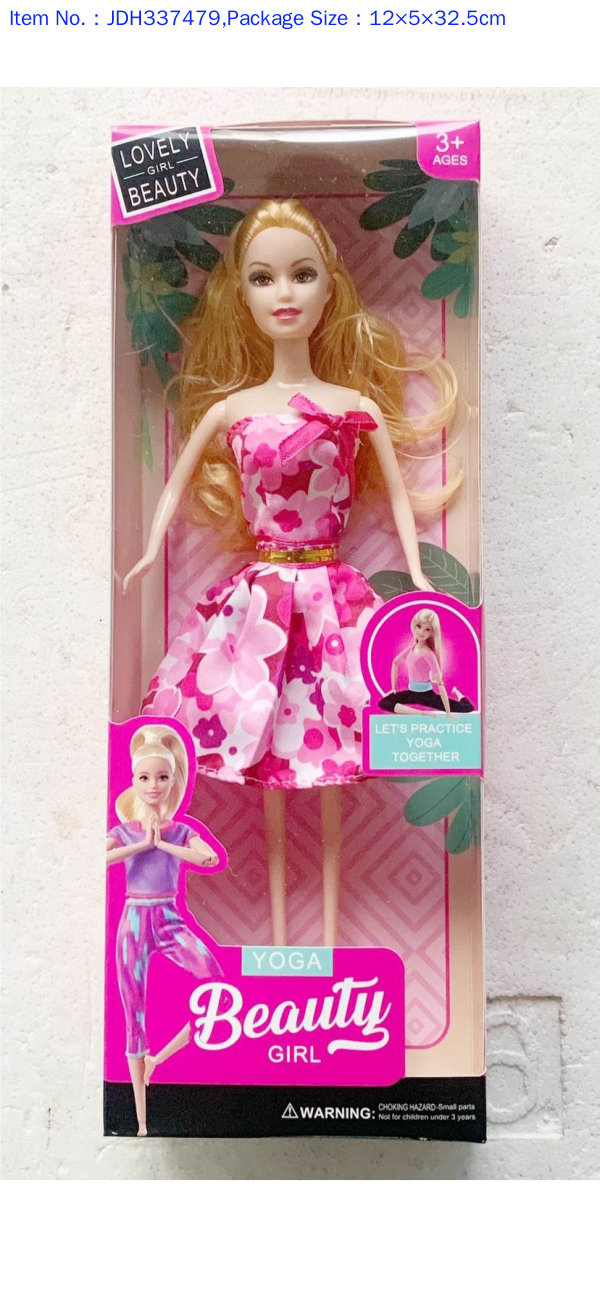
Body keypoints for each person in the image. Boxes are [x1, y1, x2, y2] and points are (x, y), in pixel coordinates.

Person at [123, 199, 458, 946]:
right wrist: (147, 551)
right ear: (239, 294)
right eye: (263, 278)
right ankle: (277, 948)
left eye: (302, 275)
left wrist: (418, 579)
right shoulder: (232, 410)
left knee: (332, 755)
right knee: (266, 754)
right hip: (263, 597)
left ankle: (328, 948)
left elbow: (397, 502)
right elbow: (173, 489)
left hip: (332, 596)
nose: (284, 293)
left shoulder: (355, 407)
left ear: (330, 286)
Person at [107, 725, 223, 1135]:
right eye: (144, 777)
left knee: (217, 988)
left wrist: (164, 844)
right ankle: (140, 1122)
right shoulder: (123, 831)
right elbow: (95, 857)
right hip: (134, 921)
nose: (153, 785)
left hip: (169, 918)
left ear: (173, 780)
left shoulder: (181, 830)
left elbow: (209, 859)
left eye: (161, 777)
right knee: (133, 1016)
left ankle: (160, 1059)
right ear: (134, 781)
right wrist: (142, 845)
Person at [378, 609, 475, 715]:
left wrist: (448, 712)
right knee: (383, 702)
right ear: (414, 625)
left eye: (427, 629)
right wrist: (394, 688)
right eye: (419, 626)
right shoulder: (413, 647)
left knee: (467, 708)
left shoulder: (429, 654)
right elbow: (395, 662)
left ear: (432, 632)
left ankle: (457, 692)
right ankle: (421, 713)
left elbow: (440, 684)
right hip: (412, 692)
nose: (421, 632)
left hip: (427, 695)